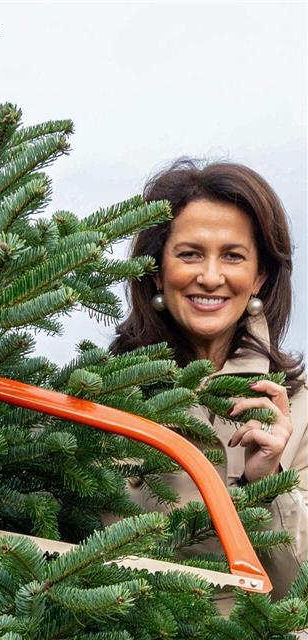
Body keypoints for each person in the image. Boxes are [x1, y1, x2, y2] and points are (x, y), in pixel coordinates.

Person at [111, 160, 307, 600]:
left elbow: (301, 594)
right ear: (156, 271)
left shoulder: (300, 408)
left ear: (259, 277)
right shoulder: (101, 395)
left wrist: (267, 484)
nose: (211, 277)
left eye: (233, 256)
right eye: (190, 254)